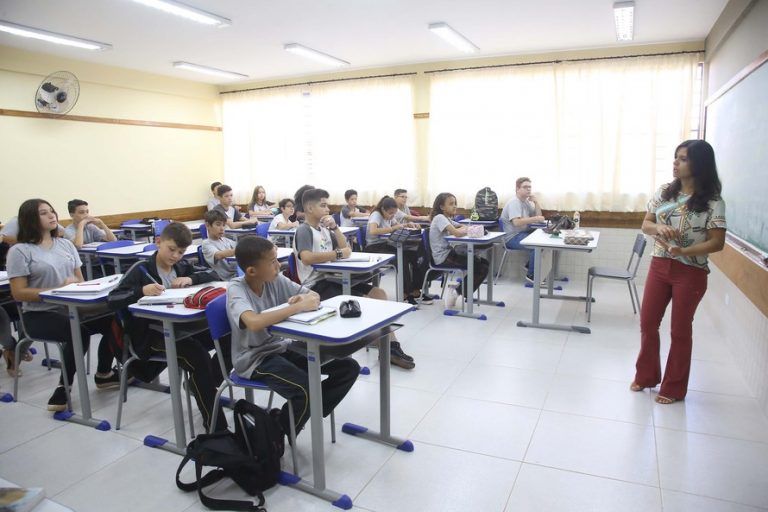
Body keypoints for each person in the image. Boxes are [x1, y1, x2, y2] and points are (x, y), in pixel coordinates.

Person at [227, 235, 360, 438]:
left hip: (281, 348)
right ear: (252, 271)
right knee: (306, 389)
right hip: (255, 359)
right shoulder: (237, 289)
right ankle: (277, 435)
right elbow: (253, 322)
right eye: (272, 262)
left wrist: (305, 297)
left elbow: (313, 295)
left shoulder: (274, 279)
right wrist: (297, 306)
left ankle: (301, 413)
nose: (278, 266)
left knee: (348, 367)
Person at [108, 222, 229, 430]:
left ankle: (205, 383)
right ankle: (216, 425)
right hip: (149, 336)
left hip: (181, 328)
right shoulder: (141, 270)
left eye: (180, 252)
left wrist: (190, 278)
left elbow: (213, 275)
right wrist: (141, 291)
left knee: (228, 336)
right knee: (197, 356)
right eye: (171, 250)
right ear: (158, 243)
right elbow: (113, 299)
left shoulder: (181, 267)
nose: (175, 256)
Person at [631, 140, 726, 405]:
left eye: (682, 159)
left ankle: (673, 388)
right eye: (676, 157)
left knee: (680, 330)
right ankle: (646, 376)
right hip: (659, 266)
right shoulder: (664, 193)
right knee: (648, 322)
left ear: (699, 164)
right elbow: (646, 224)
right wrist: (659, 229)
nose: (675, 163)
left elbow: (717, 242)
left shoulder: (713, 202)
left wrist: (685, 251)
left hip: (691, 272)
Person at [7, 199, 119, 412]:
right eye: (43, 213)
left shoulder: (66, 244)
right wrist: (57, 289)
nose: (52, 216)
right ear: (30, 219)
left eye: (52, 211)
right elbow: (18, 292)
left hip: (71, 307)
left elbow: (80, 280)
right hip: (39, 315)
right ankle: (63, 387)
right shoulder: (20, 251)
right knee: (78, 332)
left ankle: (104, 373)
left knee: (113, 319)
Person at [293, 188, 415, 369]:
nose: (328, 209)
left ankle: (388, 345)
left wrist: (334, 228)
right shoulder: (304, 230)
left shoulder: (324, 229)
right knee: (366, 300)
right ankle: (387, 347)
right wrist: (337, 254)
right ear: (310, 208)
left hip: (332, 278)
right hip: (316, 285)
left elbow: (345, 248)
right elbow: (307, 258)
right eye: (323, 205)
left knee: (378, 293)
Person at [365, 196, 431, 305]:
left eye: (394, 213)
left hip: (386, 244)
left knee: (415, 255)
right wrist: (393, 228)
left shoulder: (390, 215)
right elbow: (373, 231)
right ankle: (405, 294)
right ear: (383, 209)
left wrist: (407, 225)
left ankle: (415, 290)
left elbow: (397, 225)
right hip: (374, 248)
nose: (392, 216)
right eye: (390, 213)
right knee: (402, 260)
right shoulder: (376, 215)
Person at [429, 192, 490, 301]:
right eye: (451, 204)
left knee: (484, 263)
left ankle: (459, 291)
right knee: (480, 267)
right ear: (442, 207)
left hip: (449, 254)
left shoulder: (445, 218)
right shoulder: (439, 218)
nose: (455, 206)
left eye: (455, 203)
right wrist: (466, 230)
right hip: (443, 257)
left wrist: (464, 229)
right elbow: (457, 233)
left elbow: (461, 226)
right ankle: (457, 292)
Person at [500, 177, 545, 283]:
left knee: (543, 237)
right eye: (525, 187)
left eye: (530, 187)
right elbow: (517, 222)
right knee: (537, 245)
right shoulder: (514, 202)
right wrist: (535, 219)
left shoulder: (525, 202)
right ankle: (531, 275)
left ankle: (530, 265)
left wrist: (536, 202)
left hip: (521, 233)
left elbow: (538, 215)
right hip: (512, 238)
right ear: (517, 189)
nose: (528, 189)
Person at [201, 209, 237, 280]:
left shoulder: (224, 239)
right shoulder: (207, 243)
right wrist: (243, 249)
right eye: (218, 224)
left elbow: (238, 246)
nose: (222, 228)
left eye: (224, 225)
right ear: (208, 225)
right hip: (227, 278)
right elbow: (219, 255)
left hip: (237, 272)